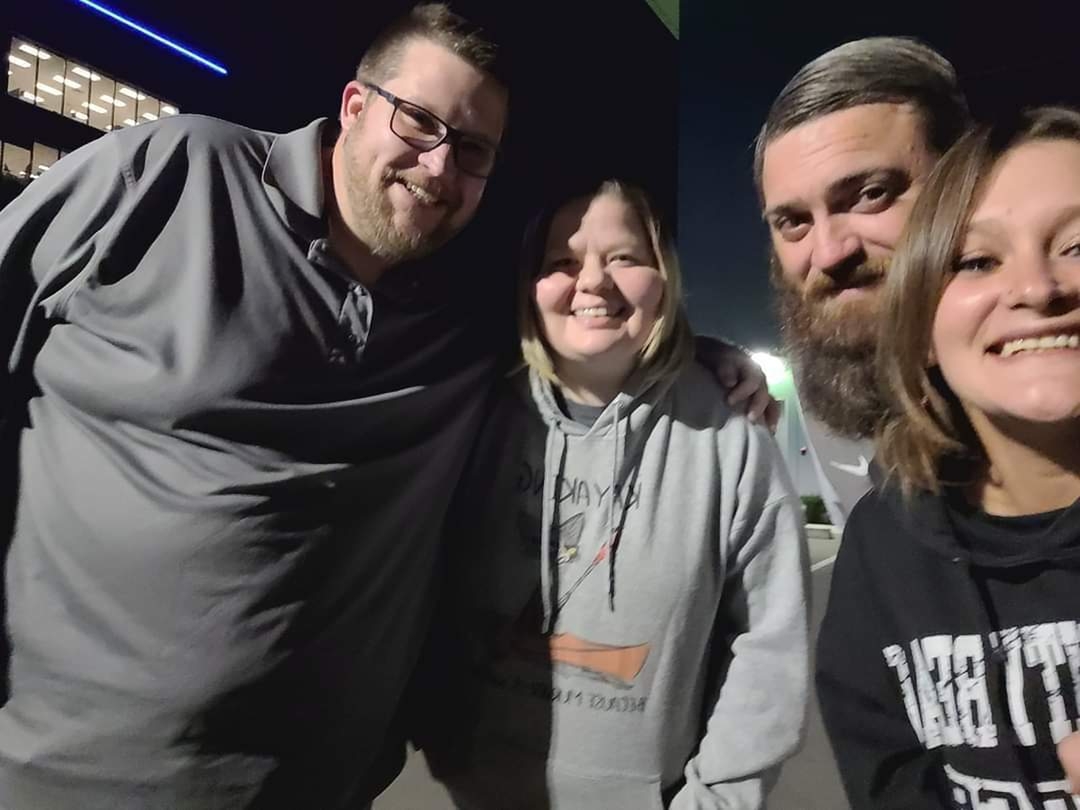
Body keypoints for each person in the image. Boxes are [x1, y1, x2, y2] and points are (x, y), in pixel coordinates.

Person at [0, 4, 770, 808]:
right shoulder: (172, 174)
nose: (439, 167)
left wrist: (697, 356)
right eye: (419, 122)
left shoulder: (463, 317)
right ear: (354, 106)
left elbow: (591, 336)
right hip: (66, 776)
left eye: (472, 150)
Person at [421, 179, 809, 809]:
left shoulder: (729, 437)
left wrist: (717, 800)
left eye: (623, 258)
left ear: (664, 278)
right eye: (562, 262)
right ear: (531, 286)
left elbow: (769, 648)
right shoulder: (475, 413)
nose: (593, 282)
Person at [816, 105, 1080, 809]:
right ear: (922, 330)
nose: (1039, 288)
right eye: (976, 261)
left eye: (1078, 246)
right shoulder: (884, 544)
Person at [755, 37, 970, 524]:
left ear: (965, 181)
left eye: (871, 194)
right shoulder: (823, 387)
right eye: (794, 222)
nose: (830, 253)